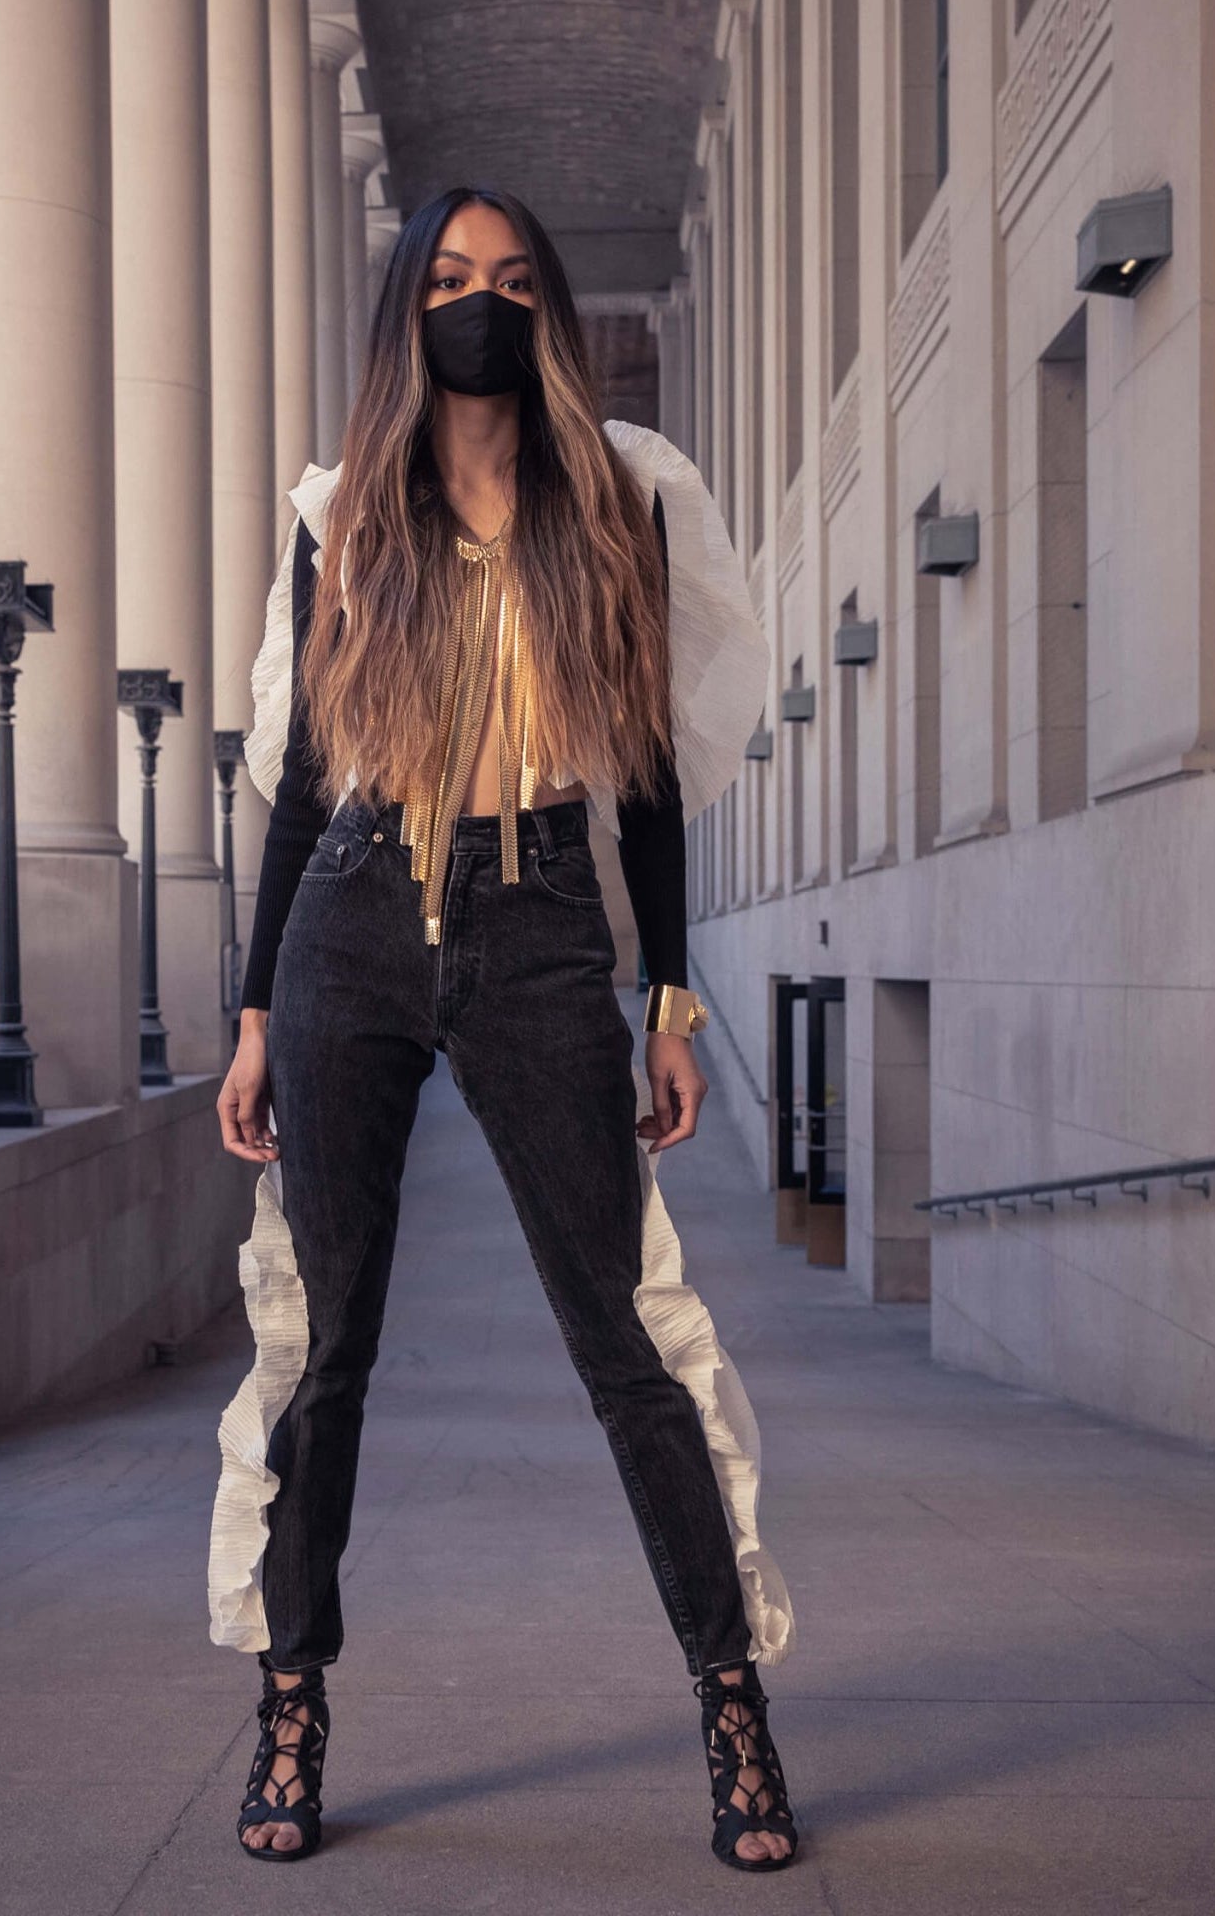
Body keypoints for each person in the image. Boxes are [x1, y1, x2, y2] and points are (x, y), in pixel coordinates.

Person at [210, 184, 796, 1873]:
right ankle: (293, 1701)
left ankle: (733, 1710)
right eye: (452, 278)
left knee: (625, 1349)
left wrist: (668, 1000)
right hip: (348, 923)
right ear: (410, 306)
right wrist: (254, 1012)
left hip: (542, 920)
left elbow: (662, 786)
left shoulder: (617, 504)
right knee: (326, 1351)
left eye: (512, 279)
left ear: (543, 308)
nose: (481, 303)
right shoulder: (346, 520)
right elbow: (298, 784)